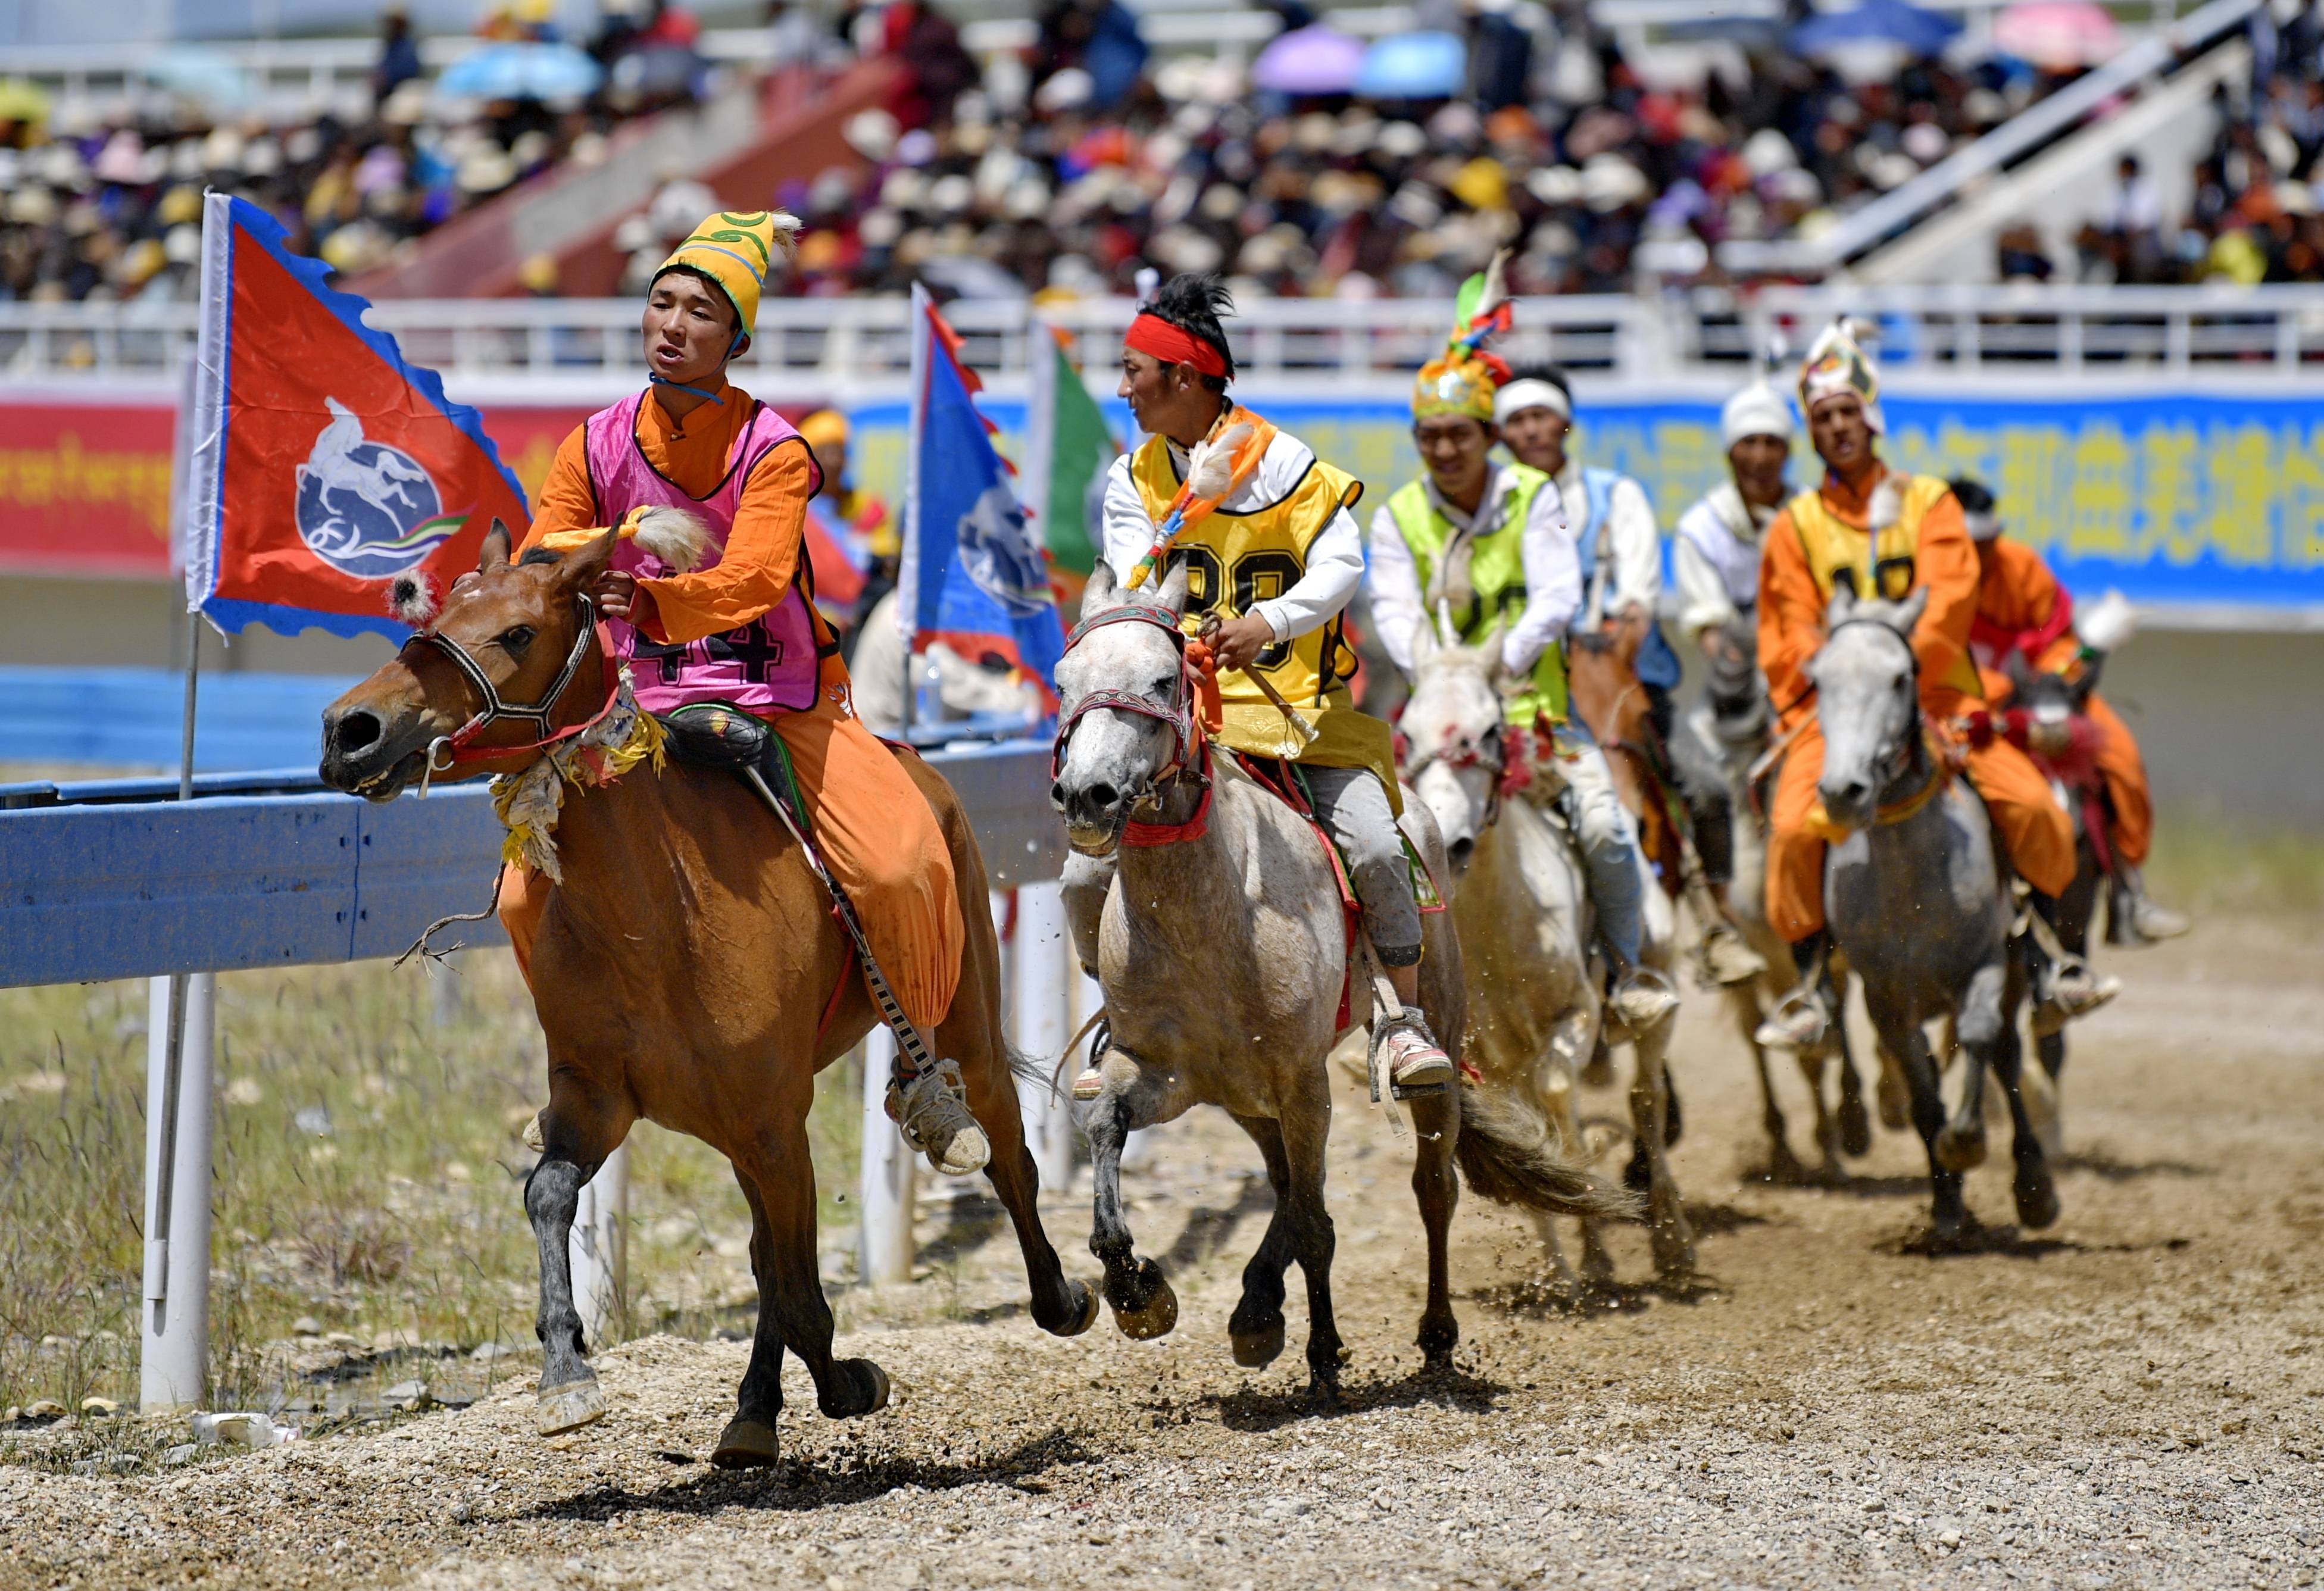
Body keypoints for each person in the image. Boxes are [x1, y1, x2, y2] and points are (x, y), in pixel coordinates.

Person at [502, 209, 988, 1176]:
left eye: (699, 312)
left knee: (898, 869)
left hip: (781, 698)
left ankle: (920, 1067)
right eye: (661, 302)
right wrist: (574, 565)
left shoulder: (776, 451)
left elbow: (758, 578)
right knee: (521, 894)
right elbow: (540, 552)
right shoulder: (587, 447)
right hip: (630, 709)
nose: (672, 324)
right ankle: (580, 1066)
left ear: (737, 341)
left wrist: (644, 592)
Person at [1067, 271, 1455, 1093]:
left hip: (1298, 715)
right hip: (1181, 725)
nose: (1123, 388)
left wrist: (1268, 624)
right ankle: (1124, 1018)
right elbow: (1136, 587)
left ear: (1183, 377)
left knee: (1382, 845)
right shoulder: (1133, 479)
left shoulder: (1286, 462)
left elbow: (1343, 563)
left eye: (1135, 371)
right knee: (1081, 873)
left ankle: (1403, 1018)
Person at [1754, 321, 2110, 1048]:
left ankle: (2046, 962)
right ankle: (1813, 990)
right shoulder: (1795, 525)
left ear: (1871, 419)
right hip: (1840, 710)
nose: (1837, 427)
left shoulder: (1931, 504)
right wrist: (1843, 672)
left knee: (2036, 809)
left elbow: (1949, 600)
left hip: (1941, 704)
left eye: (1848, 412)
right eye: (1822, 419)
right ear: (1811, 434)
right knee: (1792, 830)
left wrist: (1899, 669)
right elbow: (1787, 625)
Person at [1363, 283, 1679, 1032]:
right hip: (1437, 722)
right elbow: (1393, 608)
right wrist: (1439, 672)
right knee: (1370, 839)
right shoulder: (1396, 515)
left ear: (1488, 437)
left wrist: (1492, 666)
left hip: (1535, 718)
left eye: (1459, 435)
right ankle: (1382, 1002)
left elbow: (1556, 596)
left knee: (1606, 828)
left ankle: (1628, 972)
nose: (1443, 450)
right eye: (1429, 435)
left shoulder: (1531, 495)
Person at [1498, 364, 1760, 986]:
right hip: (1524, 692)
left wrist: (1600, 636)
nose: (1531, 430)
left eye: (1540, 416)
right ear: (1501, 433)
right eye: (1516, 420)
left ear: (1564, 422)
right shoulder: (1494, 507)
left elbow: (1635, 601)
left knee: (1701, 786)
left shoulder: (1615, 496)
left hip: (1621, 684)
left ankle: (1715, 918)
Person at [1951, 477, 2188, 944]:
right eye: (1965, 545)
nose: (1977, 556)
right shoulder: (1926, 577)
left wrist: (2054, 681)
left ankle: (2127, 889)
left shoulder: (2021, 569)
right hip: (1955, 711)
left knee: (2120, 757)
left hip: (2034, 701)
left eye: (1985, 544)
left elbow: (2058, 638)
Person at [795, 408, 892, 632]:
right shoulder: (798, 510)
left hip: (864, 618)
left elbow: (880, 561)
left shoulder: (870, 508)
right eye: (825, 453)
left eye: (839, 452)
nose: (834, 461)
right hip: (813, 622)